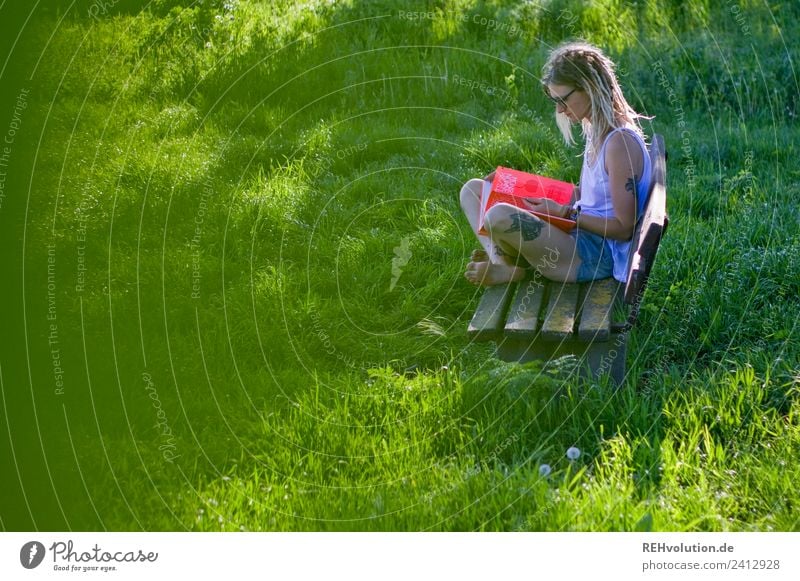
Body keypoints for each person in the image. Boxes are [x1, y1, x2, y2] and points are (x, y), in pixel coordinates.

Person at [461, 41, 652, 286]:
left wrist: (566, 213)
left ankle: (504, 266)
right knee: (473, 191)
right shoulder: (598, 130)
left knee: (498, 215)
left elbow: (624, 229)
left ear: (589, 87)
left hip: (595, 255)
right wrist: (517, 185)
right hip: (580, 235)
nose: (560, 110)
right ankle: (503, 264)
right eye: (556, 102)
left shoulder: (619, 143)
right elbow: (595, 199)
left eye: (564, 100)